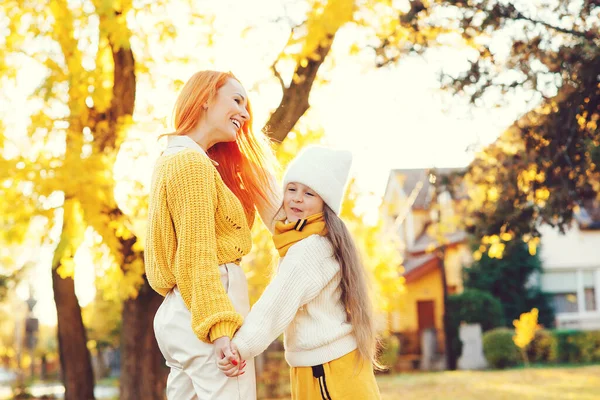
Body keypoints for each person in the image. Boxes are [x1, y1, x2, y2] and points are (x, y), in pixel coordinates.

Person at [144, 70, 280, 400]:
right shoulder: (192, 165)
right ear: (205, 98)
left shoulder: (172, 158)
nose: (245, 113)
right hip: (208, 313)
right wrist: (220, 331)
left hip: (180, 313)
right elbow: (196, 258)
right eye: (236, 100)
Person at [219, 146, 382, 399]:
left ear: (323, 204)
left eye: (309, 193)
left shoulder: (309, 249)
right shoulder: (306, 233)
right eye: (291, 189)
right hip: (326, 366)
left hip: (327, 372)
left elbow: (277, 303)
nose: (296, 199)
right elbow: (271, 202)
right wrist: (239, 151)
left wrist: (240, 348)